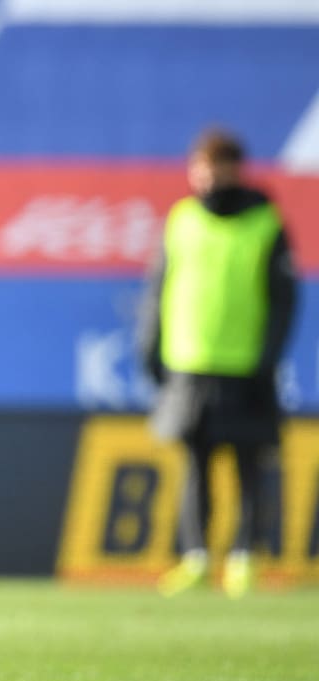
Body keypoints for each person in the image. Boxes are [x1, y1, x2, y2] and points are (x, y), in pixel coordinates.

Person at [139, 127, 298, 599]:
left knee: (249, 465)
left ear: (237, 170)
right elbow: (158, 290)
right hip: (190, 361)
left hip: (246, 364)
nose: (209, 178)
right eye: (202, 168)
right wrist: (151, 346)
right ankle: (197, 558)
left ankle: (245, 557)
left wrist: (268, 356)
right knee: (195, 465)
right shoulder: (182, 219)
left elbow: (283, 299)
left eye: (219, 168)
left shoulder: (265, 223)